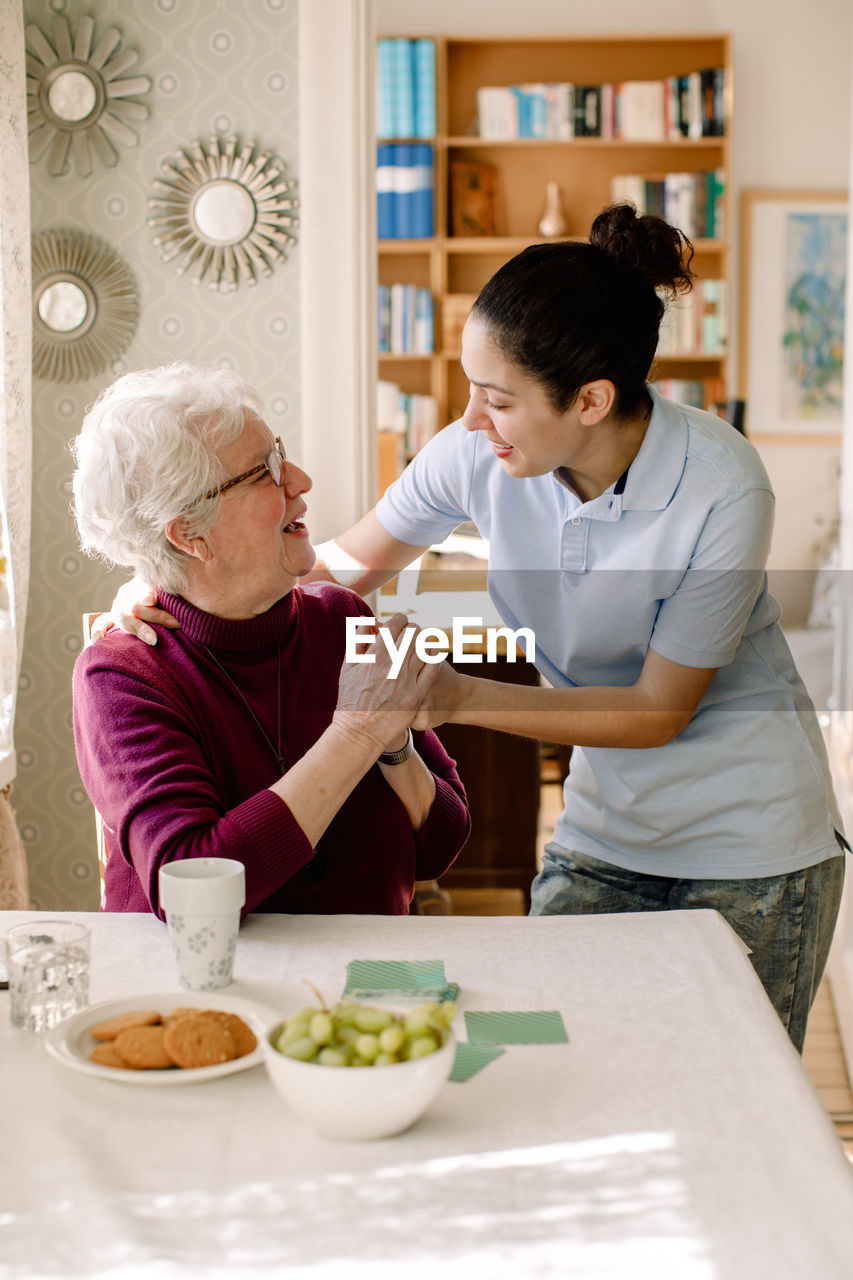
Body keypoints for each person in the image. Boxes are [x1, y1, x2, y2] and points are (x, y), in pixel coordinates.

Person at [104, 205, 845, 1051]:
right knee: (561, 1065)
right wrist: (162, 574)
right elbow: (339, 566)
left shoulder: (721, 484)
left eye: (495, 399)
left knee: (731, 1098)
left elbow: (655, 710)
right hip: (607, 830)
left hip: (751, 841)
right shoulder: (481, 454)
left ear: (591, 401)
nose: (467, 420)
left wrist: (453, 695)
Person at [71, 363, 470, 919]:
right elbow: (193, 893)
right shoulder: (124, 675)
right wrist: (356, 733)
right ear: (191, 534)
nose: (301, 480)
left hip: (365, 984)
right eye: (266, 472)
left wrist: (393, 744)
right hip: (200, 989)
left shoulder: (342, 620)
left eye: (281, 454)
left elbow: (440, 845)